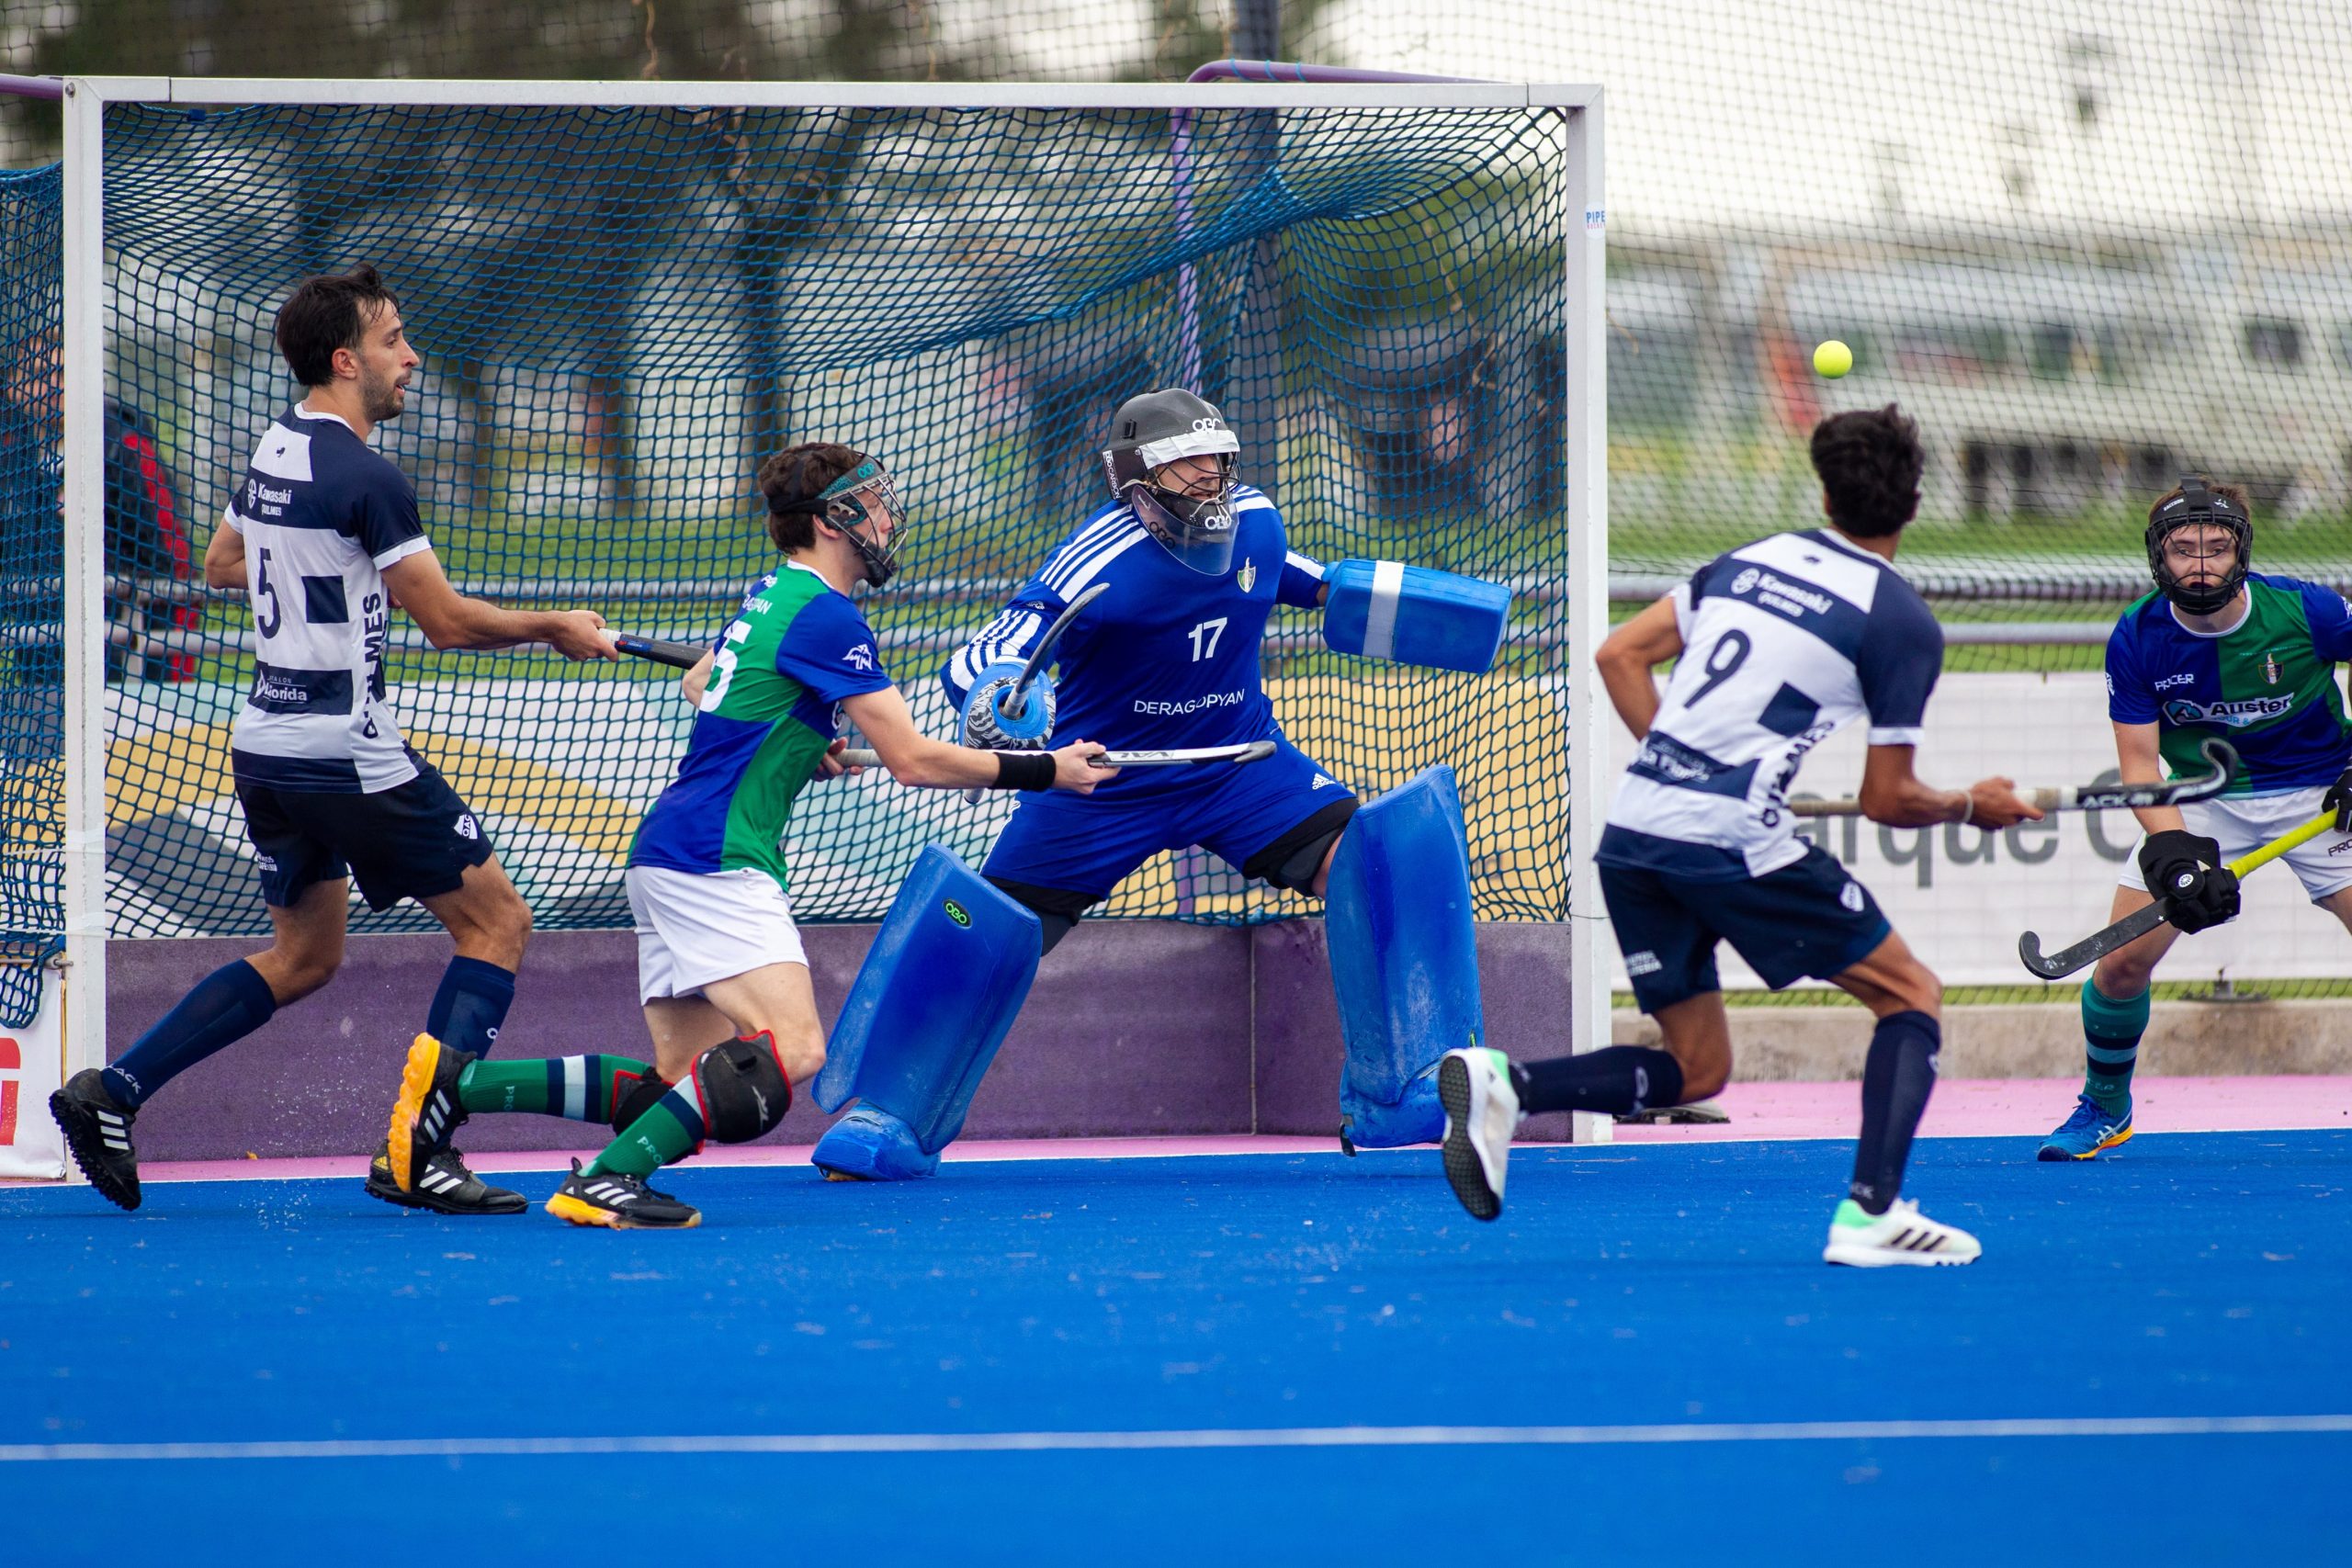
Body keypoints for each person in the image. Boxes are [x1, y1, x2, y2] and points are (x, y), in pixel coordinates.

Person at [387, 442, 1112, 1230]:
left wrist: (804, 743)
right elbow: (912, 760)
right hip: (717, 860)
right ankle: (607, 1178)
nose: (888, 516)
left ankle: (454, 1090)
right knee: (794, 1048)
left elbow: (710, 685)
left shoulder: (773, 594)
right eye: (871, 502)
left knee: (674, 1079)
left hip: (670, 851)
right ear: (834, 520)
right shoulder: (831, 618)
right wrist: (1044, 768)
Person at [797, 388, 1514, 1183]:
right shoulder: (1097, 559)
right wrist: (999, 694)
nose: (1211, 477)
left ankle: (1400, 1090)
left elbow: (1305, 579)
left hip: (1242, 766)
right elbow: (987, 652)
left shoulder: (1257, 520)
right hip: (1102, 784)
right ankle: (889, 1114)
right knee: (987, 927)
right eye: (1187, 463)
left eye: (1218, 459)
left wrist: (1423, 609)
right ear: (1138, 480)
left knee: (1380, 852)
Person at [47, 264, 618, 1214]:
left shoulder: (276, 448)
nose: (413, 357)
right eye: (396, 340)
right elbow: (444, 623)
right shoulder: (369, 476)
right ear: (347, 359)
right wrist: (552, 623)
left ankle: (113, 1092)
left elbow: (224, 561)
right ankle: (415, 1153)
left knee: (306, 957)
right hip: (344, 749)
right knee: (498, 924)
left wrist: (316, 572)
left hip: (265, 744)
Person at [1435, 404, 2041, 1267]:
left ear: (1826, 492)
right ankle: (1874, 1215)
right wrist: (1970, 805)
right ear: (1913, 502)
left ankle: (1508, 1083)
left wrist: (1687, 770)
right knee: (1909, 994)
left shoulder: (1749, 560)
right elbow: (1888, 798)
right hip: (1727, 840)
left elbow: (1618, 656)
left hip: (1637, 828)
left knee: (1697, 1067)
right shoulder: (1900, 620)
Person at [2036, 477, 2352, 1160]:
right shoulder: (2139, 636)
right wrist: (2174, 852)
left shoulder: (2307, 611)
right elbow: (2141, 769)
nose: (2202, 563)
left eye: (2217, 545)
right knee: (2120, 967)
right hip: (2207, 792)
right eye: (2184, 548)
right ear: (2159, 556)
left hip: (2323, 791)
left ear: (2243, 549)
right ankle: (2106, 1106)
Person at [0, 325, 198, 684]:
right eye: (32, 376)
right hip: (38, 656)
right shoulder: (13, 454)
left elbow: (174, 559)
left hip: (123, 657)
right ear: (13, 386)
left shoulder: (124, 447)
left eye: (58, 373)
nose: (47, 389)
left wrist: (170, 663)